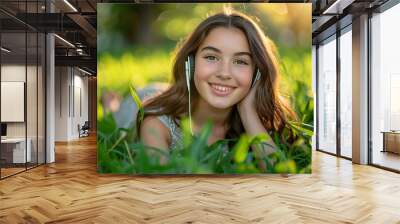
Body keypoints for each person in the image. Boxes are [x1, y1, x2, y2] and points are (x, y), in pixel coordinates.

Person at [138, 10, 296, 163]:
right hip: (145, 94)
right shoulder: (157, 123)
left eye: (240, 61)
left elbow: (279, 175)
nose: (224, 73)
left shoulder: (263, 122)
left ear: (257, 73)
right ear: (191, 63)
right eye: (211, 57)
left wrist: (248, 112)